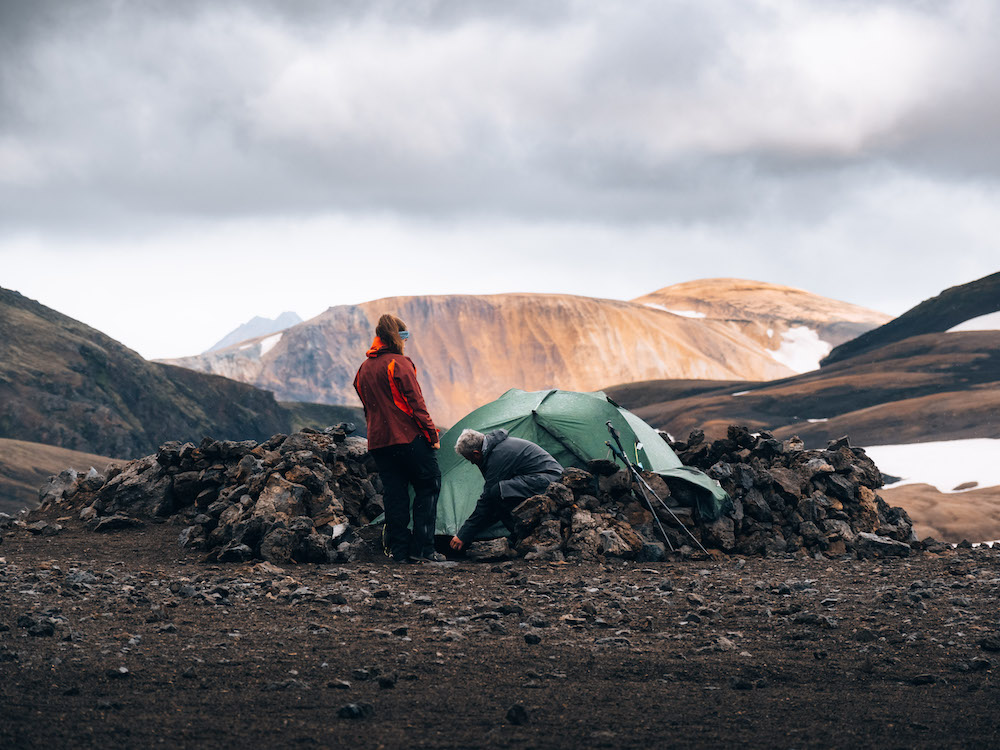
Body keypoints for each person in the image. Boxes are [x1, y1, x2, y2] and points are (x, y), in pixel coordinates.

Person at [353, 314, 444, 563]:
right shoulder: (400, 363)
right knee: (429, 484)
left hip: (379, 442)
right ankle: (423, 550)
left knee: (395, 495)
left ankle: (399, 552)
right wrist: (432, 435)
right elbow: (416, 404)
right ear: (398, 336)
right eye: (405, 336)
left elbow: (368, 407)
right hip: (407, 437)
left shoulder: (363, 369)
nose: (406, 341)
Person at [449, 428, 563, 551]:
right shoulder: (495, 449)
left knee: (497, 492)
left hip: (550, 481)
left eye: (470, 459)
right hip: (542, 479)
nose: (472, 463)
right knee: (499, 493)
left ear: (476, 453)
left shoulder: (498, 456)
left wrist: (463, 534)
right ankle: (520, 534)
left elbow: (487, 500)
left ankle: (521, 535)